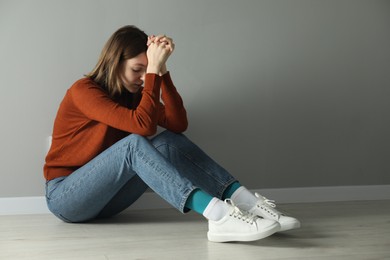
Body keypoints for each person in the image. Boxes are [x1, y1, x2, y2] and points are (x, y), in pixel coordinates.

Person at [44, 25, 300, 243]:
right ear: (115, 61)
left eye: (148, 70)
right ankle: (219, 216)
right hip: (67, 198)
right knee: (134, 144)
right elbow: (142, 127)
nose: (144, 78)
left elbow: (178, 124)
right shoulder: (83, 91)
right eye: (137, 69)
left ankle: (245, 202)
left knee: (168, 142)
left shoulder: (135, 97)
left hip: (108, 200)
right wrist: (153, 70)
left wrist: (162, 71)